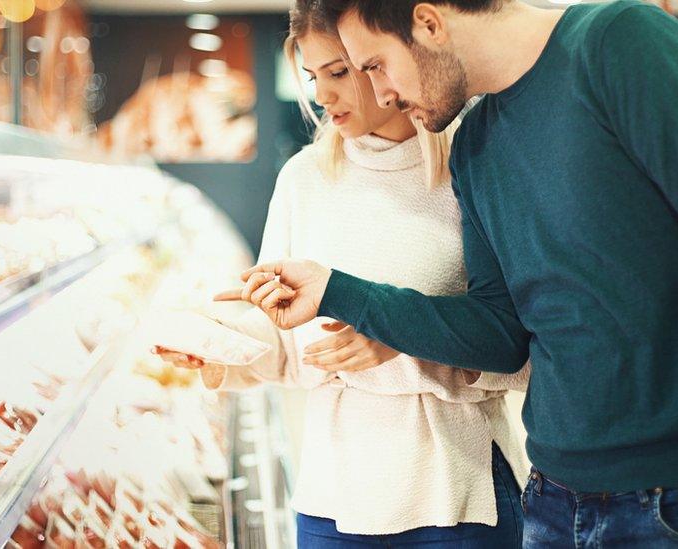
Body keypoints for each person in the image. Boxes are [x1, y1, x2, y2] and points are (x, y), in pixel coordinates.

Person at [217, 0, 678, 548]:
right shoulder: (475, 145)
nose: (381, 90)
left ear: (428, 24)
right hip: (551, 498)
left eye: (373, 65)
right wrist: (336, 292)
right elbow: (499, 334)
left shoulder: (620, 44)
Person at [156, 2, 530, 546]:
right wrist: (220, 348)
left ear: (384, 60)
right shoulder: (303, 180)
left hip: (456, 495)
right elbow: (290, 352)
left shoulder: (473, 170)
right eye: (311, 76)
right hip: (333, 500)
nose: (321, 95)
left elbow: (517, 354)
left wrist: (399, 340)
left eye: (338, 72)